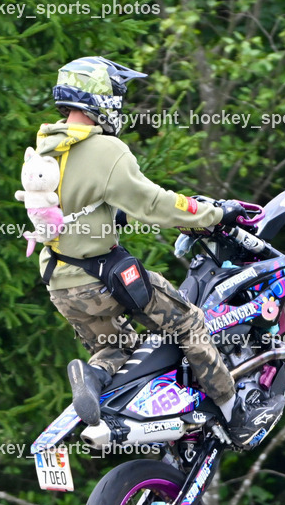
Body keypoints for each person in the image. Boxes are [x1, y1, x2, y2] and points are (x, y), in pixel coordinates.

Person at [28, 56, 260, 445]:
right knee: (189, 321)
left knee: (117, 345)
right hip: (100, 280)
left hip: (60, 284)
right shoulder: (105, 149)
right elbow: (156, 204)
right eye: (117, 95)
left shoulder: (46, 150)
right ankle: (233, 410)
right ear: (101, 98)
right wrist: (215, 213)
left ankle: (93, 375)